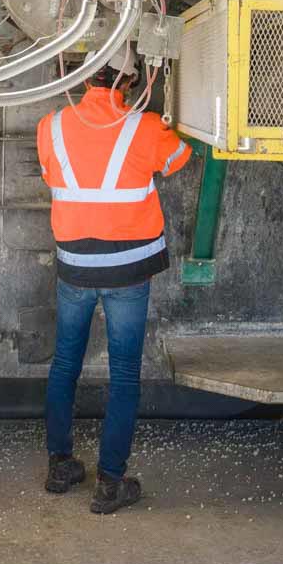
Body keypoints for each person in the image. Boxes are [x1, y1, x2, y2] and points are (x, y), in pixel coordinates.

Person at [35, 63, 193, 515]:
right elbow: (180, 160)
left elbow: (52, 177)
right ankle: (110, 484)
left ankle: (59, 466)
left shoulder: (52, 125)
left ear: (85, 79)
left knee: (65, 363)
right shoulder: (144, 127)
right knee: (124, 374)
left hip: (76, 268)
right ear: (133, 83)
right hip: (128, 271)